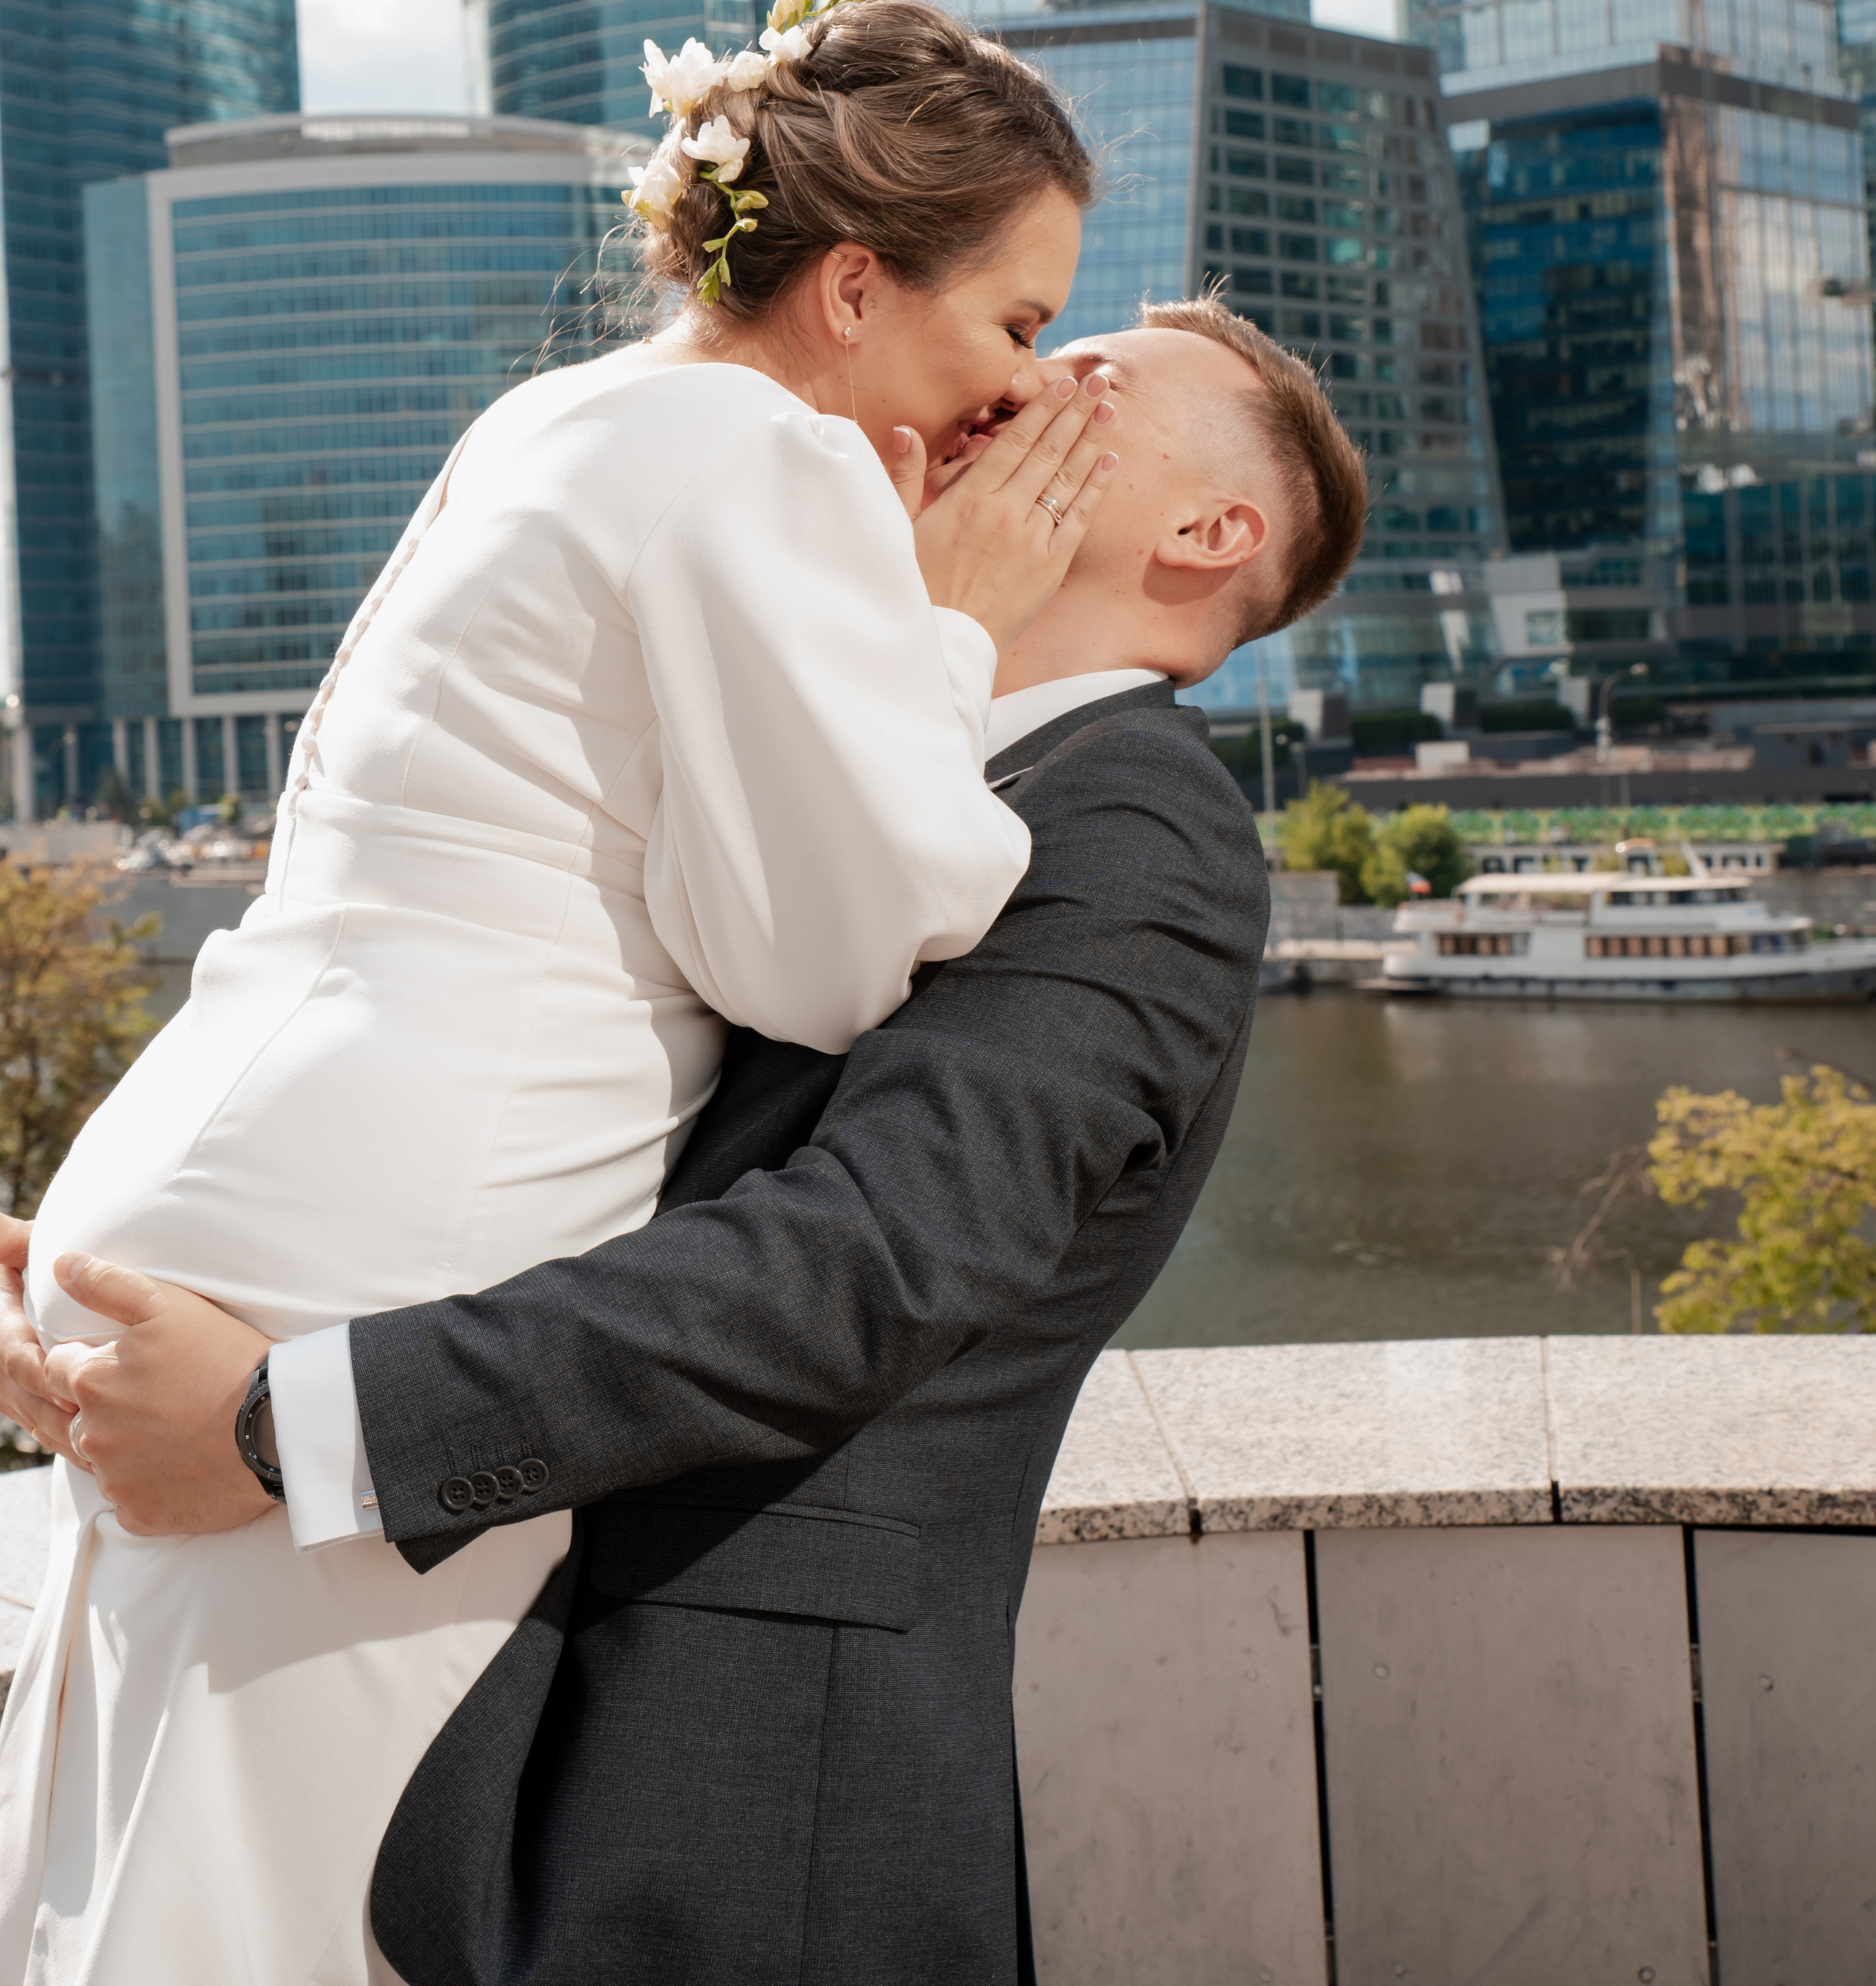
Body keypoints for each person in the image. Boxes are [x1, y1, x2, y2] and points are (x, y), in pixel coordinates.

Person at [1, 296, 1369, 1985]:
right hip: (511, 1705)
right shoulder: (827, 756)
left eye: (1084, 379)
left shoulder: (1138, 822)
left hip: (730, 1782)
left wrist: (287, 1426)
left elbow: (867, 1260)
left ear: (1208, 533)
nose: (1015, 380)